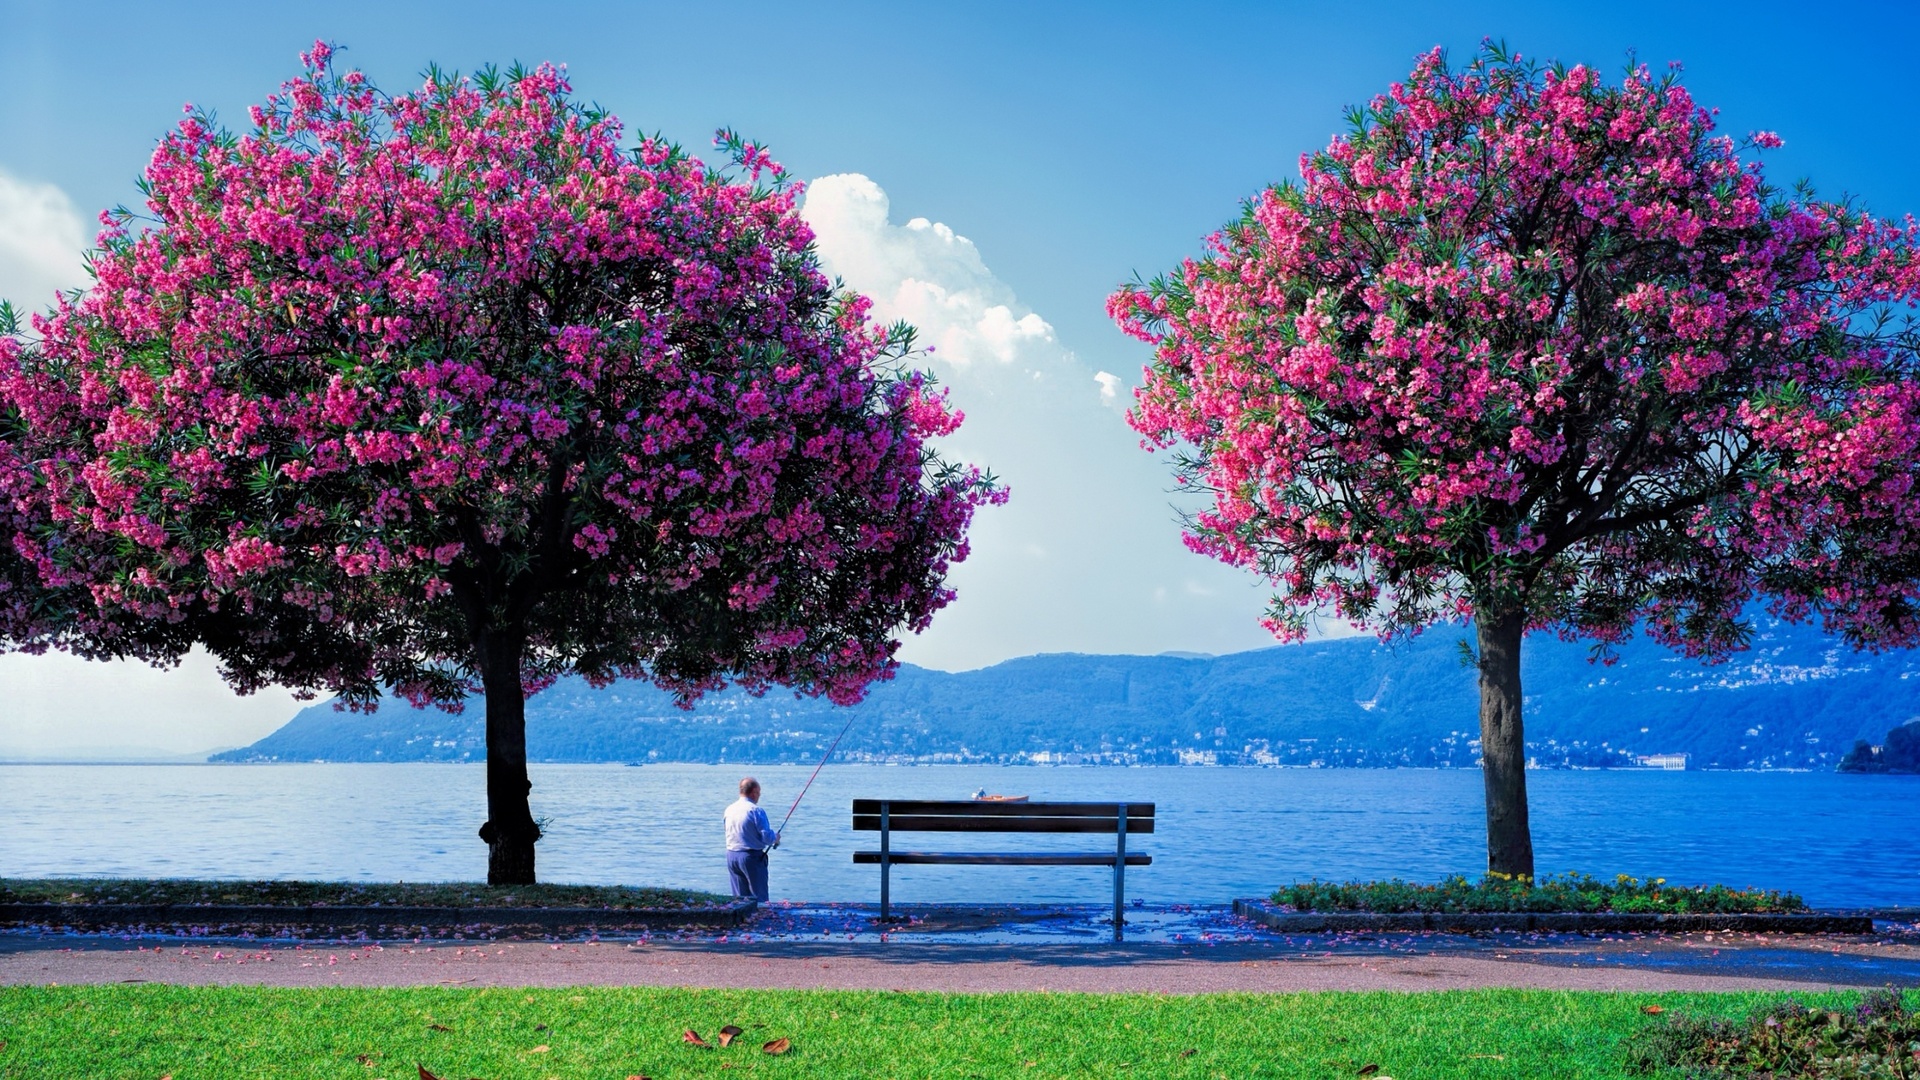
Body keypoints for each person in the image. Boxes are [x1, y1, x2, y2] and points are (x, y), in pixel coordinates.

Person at [724, 777, 780, 901]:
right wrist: (776, 838)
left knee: (739, 900)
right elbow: (767, 838)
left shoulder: (729, 809)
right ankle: (760, 919)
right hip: (751, 858)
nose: (759, 796)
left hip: (732, 856)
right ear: (754, 792)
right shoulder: (756, 811)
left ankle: (741, 920)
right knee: (759, 900)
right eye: (759, 793)